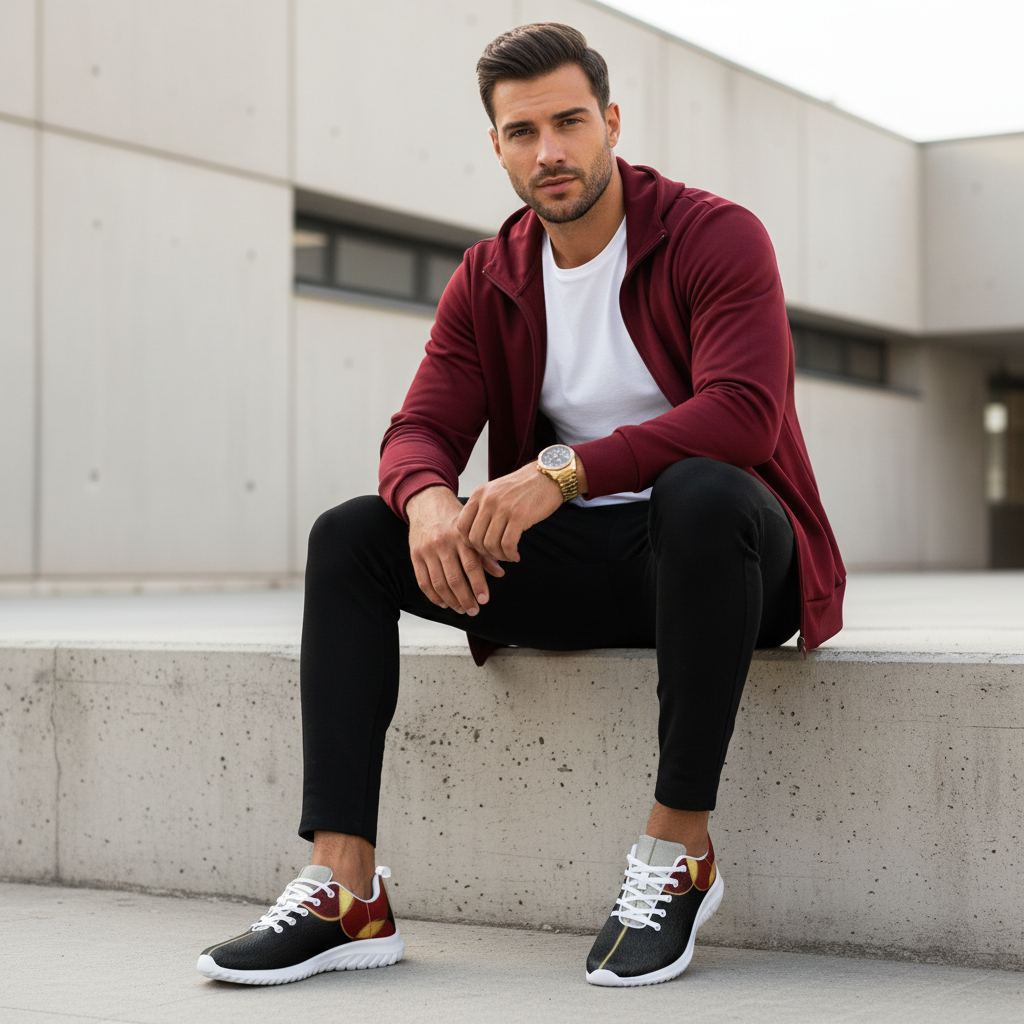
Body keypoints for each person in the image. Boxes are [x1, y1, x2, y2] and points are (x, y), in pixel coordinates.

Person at [197, 22, 844, 988]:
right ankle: (348, 891)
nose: (551, 151)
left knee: (701, 488)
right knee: (351, 536)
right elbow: (416, 430)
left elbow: (744, 416)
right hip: (589, 567)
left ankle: (678, 853)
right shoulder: (490, 275)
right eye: (522, 131)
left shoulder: (713, 235)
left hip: (729, 562)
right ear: (496, 146)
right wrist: (423, 505)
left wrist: (562, 472)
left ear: (612, 122)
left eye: (571, 122)